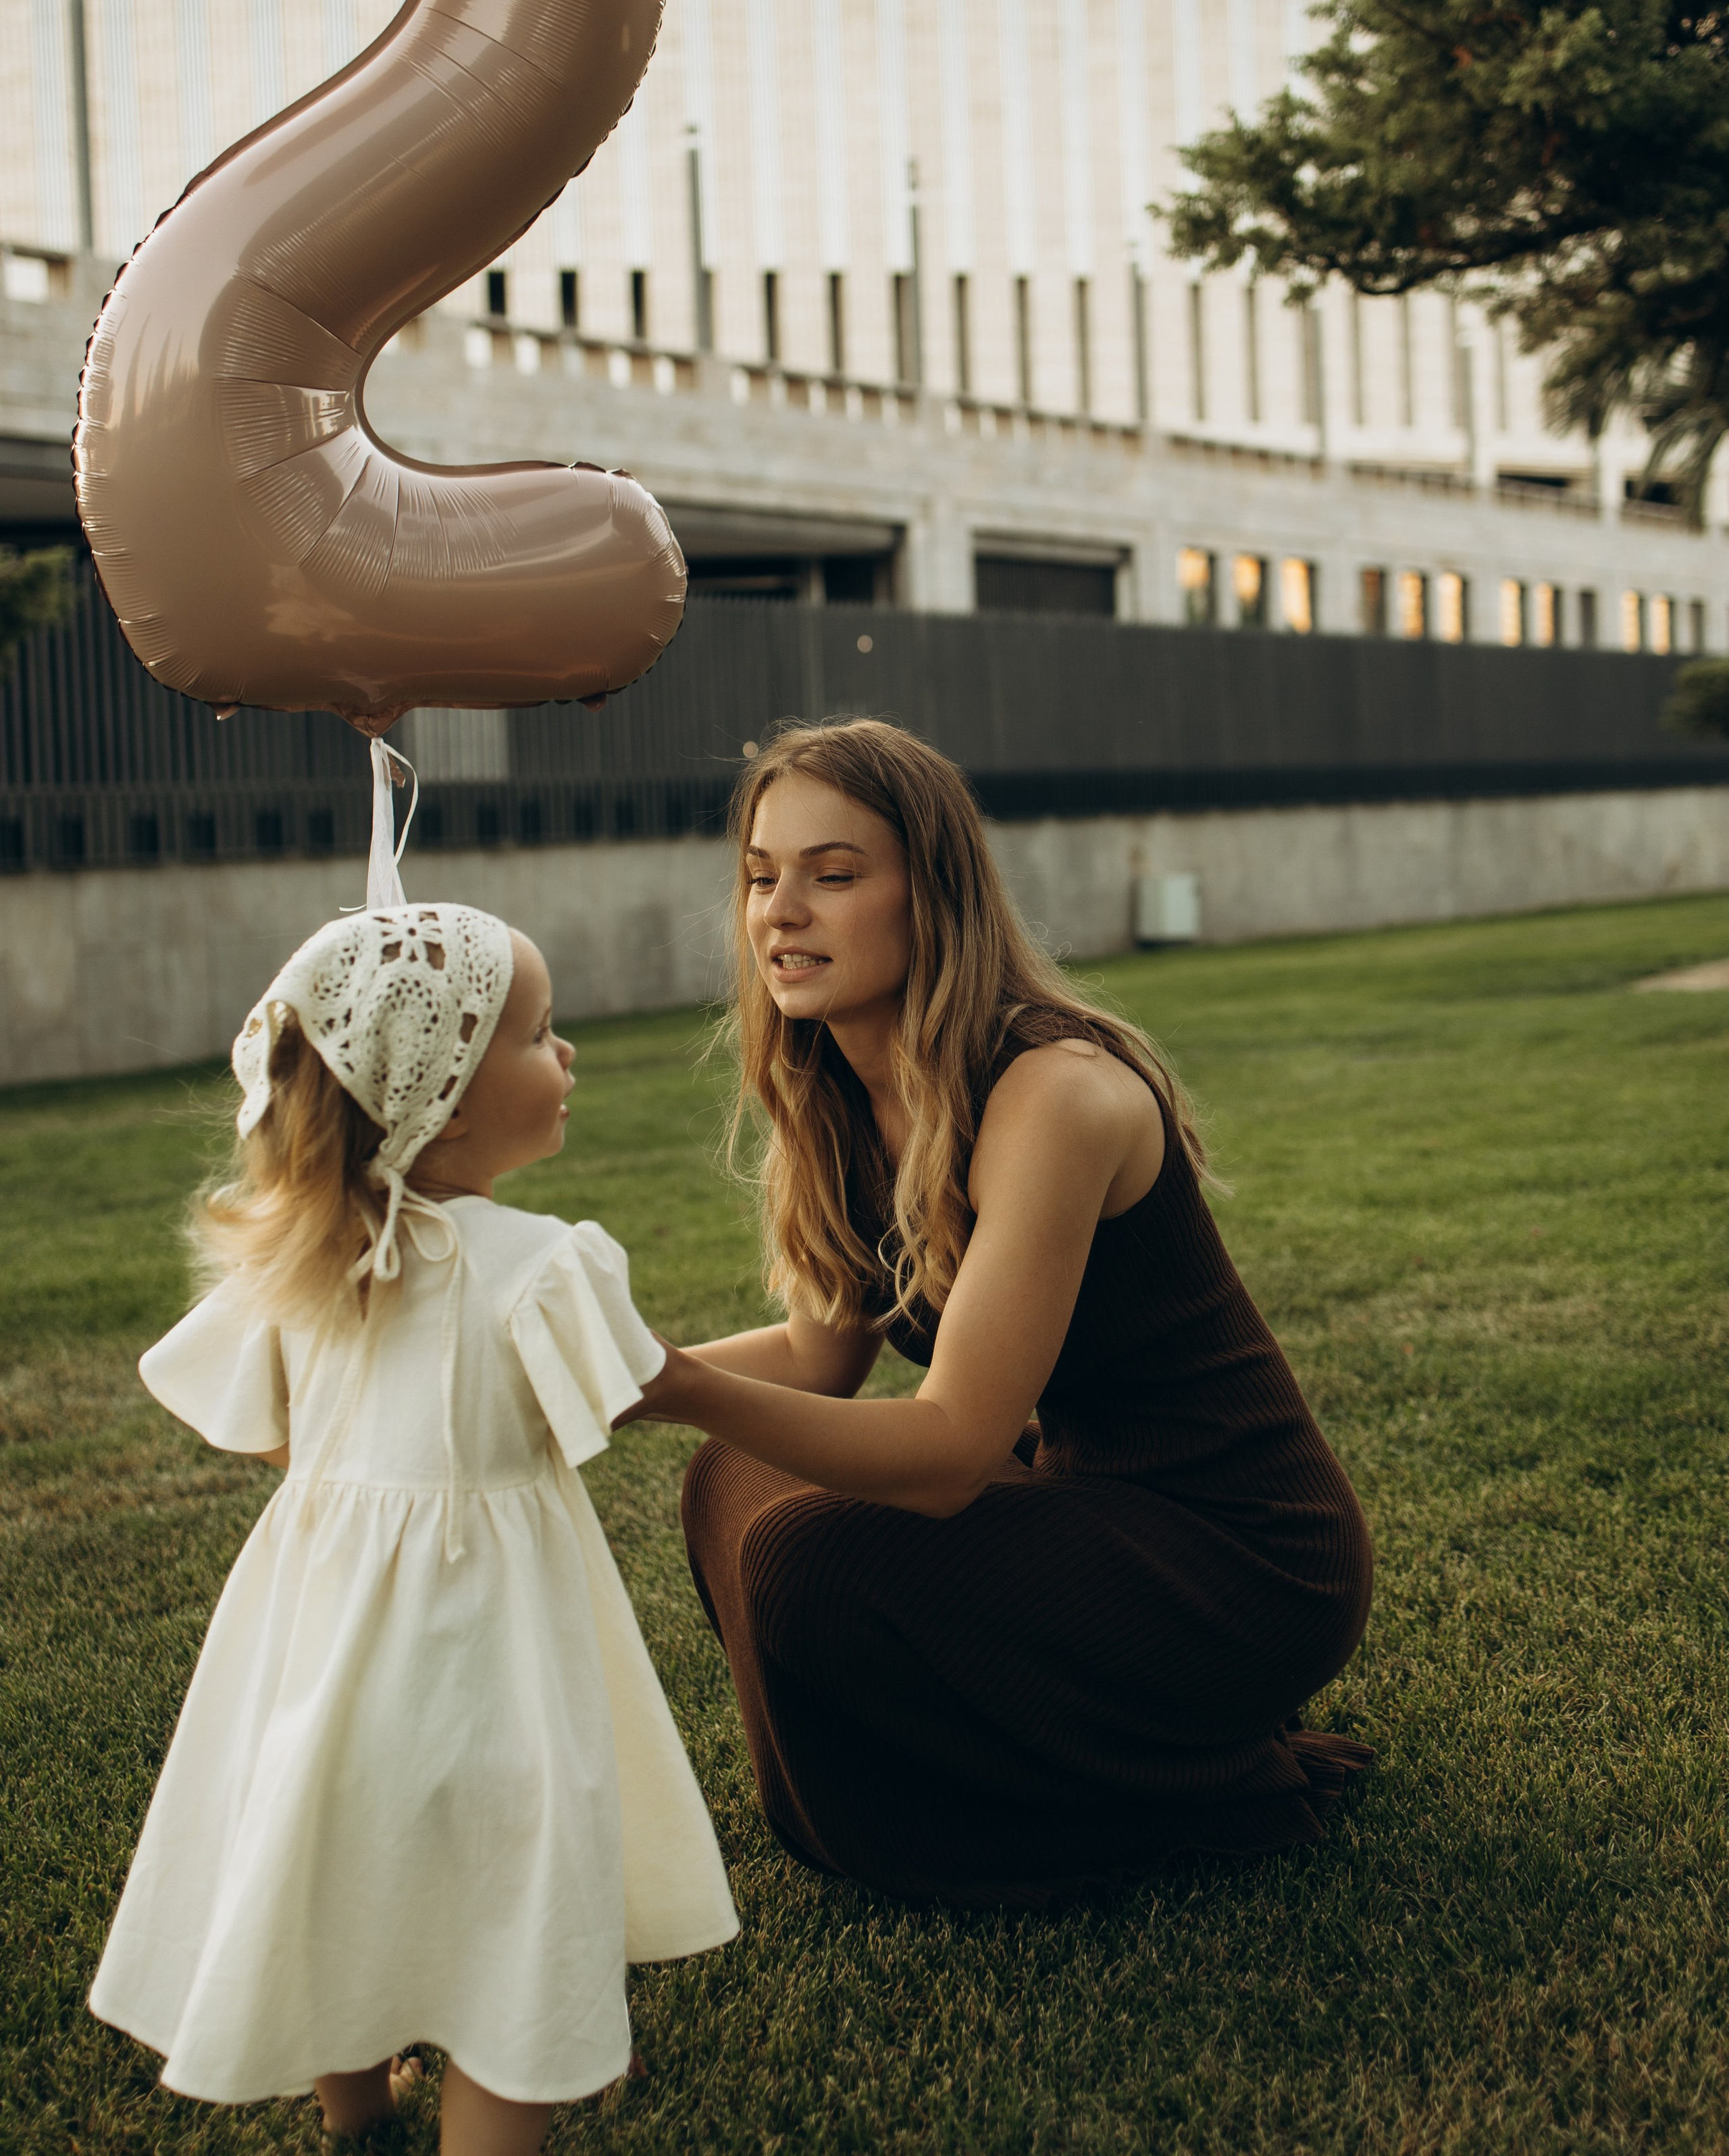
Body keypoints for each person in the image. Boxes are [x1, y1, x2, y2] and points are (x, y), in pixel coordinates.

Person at [627, 719, 1374, 1909]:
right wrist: (606, 1379)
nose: (780, 912)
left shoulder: (1053, 1093)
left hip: (1240, 1557)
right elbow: (821, 1357)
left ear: (934, 895)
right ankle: (881, 1808)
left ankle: (1179, 1780)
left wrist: (673, 1383)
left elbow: (947, 1455)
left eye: (835, 874)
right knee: (728, 1481)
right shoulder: (839, 1088)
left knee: (802, 1560)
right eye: (762, 877)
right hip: (1086, 1500)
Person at [89, 904, 736, 2152]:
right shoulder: (546, 1263)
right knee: (511, 1901)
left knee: (337, 1859)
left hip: (326, 1643)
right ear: (439, 1092)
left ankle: (361, 2117)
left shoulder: (304, 1260)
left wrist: (363, 1486)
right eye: (542, 1035)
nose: (570, 1056)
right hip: (493, 1657)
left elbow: (270, 1429)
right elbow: (625, 1398)